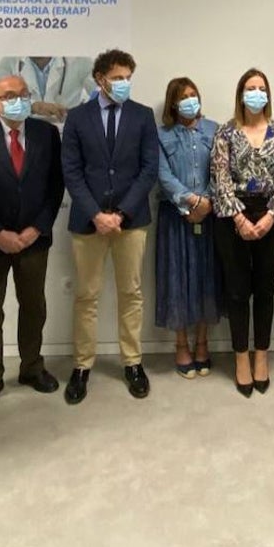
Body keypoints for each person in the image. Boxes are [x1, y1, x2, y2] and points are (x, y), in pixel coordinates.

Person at [60, 48, 158, 404]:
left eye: (128, 77)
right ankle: (83, 365)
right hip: (88, 223)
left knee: (131, 293)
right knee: (86, 296)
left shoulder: (143, 116)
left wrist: (122, 213)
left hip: (130, 223)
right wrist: (95, 214)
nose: (124, 84)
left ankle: (132, 361)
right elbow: (71, 170)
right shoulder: (77, 117)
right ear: (100, 79)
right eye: (117, 78)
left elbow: (149, 170)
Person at [0, 76, 64, 412]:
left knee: (34, 305)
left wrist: (37, 228)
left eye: (23, 95)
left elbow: (56, 186)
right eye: (9, 96)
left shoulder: (46, 133)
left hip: (34, 239)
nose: (18, 101)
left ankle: (32, 368)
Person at [212, 68, 274, 396]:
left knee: (264, 291)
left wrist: (271, 215)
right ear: (240, 94)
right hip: (232, 218)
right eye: (250, 88)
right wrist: (239, 219)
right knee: (237, 292)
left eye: (262, 88)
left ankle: (261, 356)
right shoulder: (225, 132)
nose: (256, 93)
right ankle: (241, 359)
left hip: (271, 219)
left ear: (268, 95)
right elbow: (219, 178)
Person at [156, 76, 223, 378]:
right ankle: (181, 344)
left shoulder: (215, 130)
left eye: (193, 94)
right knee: (177, 279)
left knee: (206, 277)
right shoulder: (161, 135)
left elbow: (223, 168)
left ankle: (202, 343)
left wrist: (206, 202)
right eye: (183, 96)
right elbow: (162, 174)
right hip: (175, 217)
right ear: (173, 102)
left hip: (210, 216)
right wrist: (189, 202)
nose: (189, 101)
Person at [0, 56, 95, 123]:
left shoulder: (80, 61)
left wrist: (84, 111)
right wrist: (31, 107)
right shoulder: (11, 61)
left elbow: (103, 98)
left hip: (65, 133)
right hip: (28, 136)